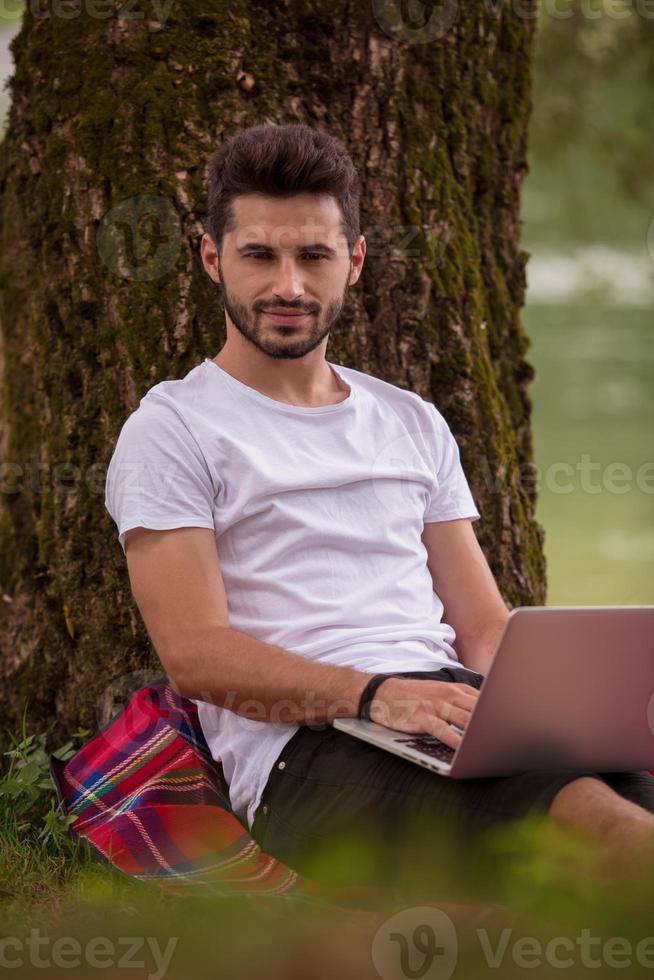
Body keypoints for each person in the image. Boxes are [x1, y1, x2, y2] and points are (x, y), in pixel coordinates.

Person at [105, 122, 654, 890]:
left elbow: (486, 630)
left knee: (624, 799)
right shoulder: (172, 429)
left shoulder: (410, 420)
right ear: (210, 258)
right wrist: (374, 696)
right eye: (260, 255)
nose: (288, 285)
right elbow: (194, 656)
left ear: (354, 262)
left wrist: (575, 709)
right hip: (308, 752)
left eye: (315, 256)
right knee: (596, 825)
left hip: (450, 711)